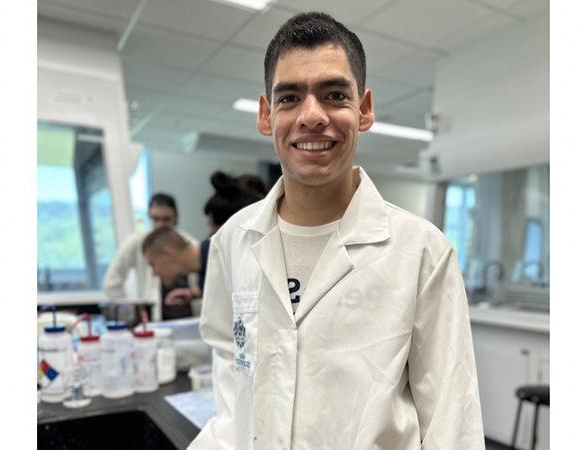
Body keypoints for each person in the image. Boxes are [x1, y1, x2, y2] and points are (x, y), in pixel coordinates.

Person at [190, 12, 485, 450]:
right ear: (266, 115)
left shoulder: (422, 251)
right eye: (289, 98)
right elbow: (232, 392)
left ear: (364, 110)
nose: (312, 116)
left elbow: (452, 424)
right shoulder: (234, 240)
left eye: (333, 95)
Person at [143, 172, 266, 305]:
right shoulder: (207, 266)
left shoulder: (221, 257)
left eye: (153, 265)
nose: (154, 273)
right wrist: (195, 293)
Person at [102, 192, 197, 321]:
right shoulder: (137, 242)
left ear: (175, 218)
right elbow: (112, 282)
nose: (161, 224)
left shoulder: (190, 245)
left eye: (166, 219)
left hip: (188, 318)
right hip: (154, 319)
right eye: (156, 219)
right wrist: (128, 315)